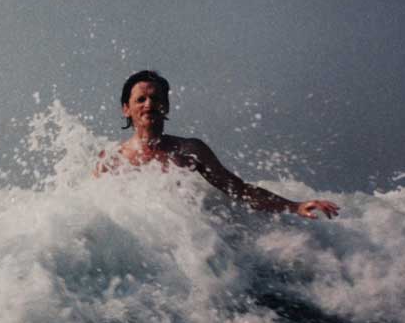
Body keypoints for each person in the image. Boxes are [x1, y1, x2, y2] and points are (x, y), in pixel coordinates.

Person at [96, 70, 339, 220]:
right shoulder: (111, 158)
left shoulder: (189, 150)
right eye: (141, 99)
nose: (149, 104)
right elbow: (95, 209)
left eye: (156, 98)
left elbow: (238, 190)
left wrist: (294, 206)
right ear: (126, 108)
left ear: (166, 107)